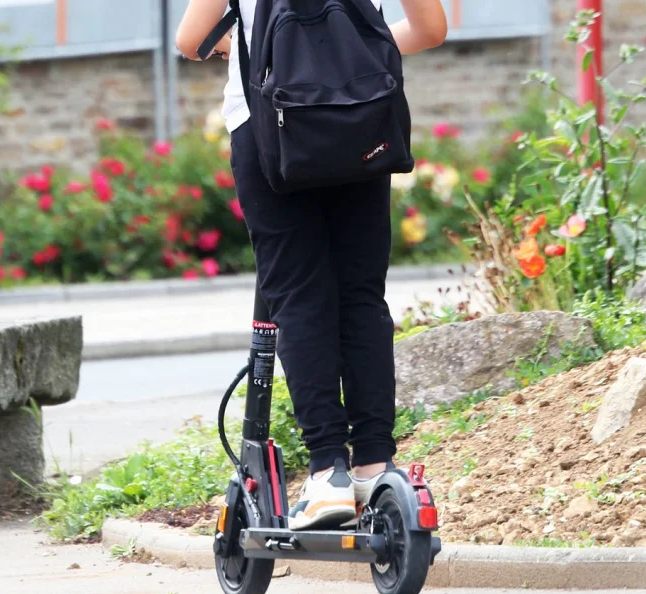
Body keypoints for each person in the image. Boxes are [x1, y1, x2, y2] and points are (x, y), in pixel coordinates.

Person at [176, 0, 448, 531]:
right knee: (361, 294)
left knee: (298, 295)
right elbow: (430, 30)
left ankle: (328, 471)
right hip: (361, 120)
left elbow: (192, 39)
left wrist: (257, 50)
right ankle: (374, 464)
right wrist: (345, 53)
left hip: (269, 128)